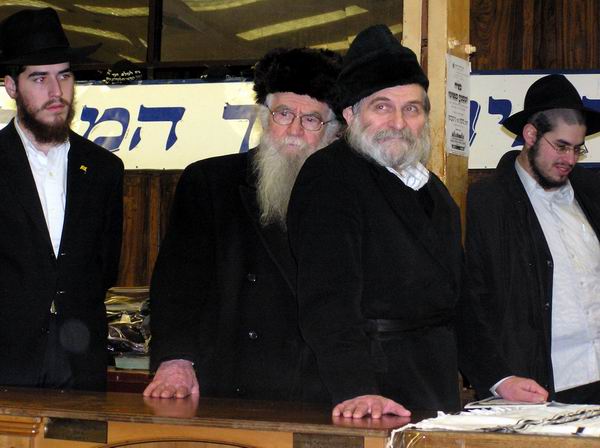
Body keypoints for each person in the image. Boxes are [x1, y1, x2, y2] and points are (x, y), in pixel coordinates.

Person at [144, 47, 341, 401]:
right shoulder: (209, 182)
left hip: (317, 389)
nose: (294, 130)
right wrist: (175, 360)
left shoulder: (346, 194)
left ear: (333, 132)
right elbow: (178, 287)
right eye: (284, 114)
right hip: (230, 382)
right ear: (264, 117)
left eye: (311, 119)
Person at [287, 24, 463, 418]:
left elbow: (460, 297)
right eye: (382, 107)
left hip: (433, 381)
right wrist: (357, 389)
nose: (398, 122)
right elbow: (327, 299)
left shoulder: (432, 188)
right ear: (351, 115)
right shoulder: (330, 175)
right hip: (372, 389)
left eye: (412, 109)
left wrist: (499, 376)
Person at [0, 8, 124, 391]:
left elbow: (105, 267)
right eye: (40, 78)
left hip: (81, 361)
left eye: (65, 75)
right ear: (11, 86)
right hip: (6, 362)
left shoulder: (104, 169)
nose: (57, 92)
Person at [459, 74, 600, 404]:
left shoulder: (592, 192)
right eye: (561, 146)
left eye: (577, 148)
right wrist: (497, 377)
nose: (570, 159)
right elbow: (471, 301)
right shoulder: (489, 202)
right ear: (531, 135)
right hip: (539, 386)